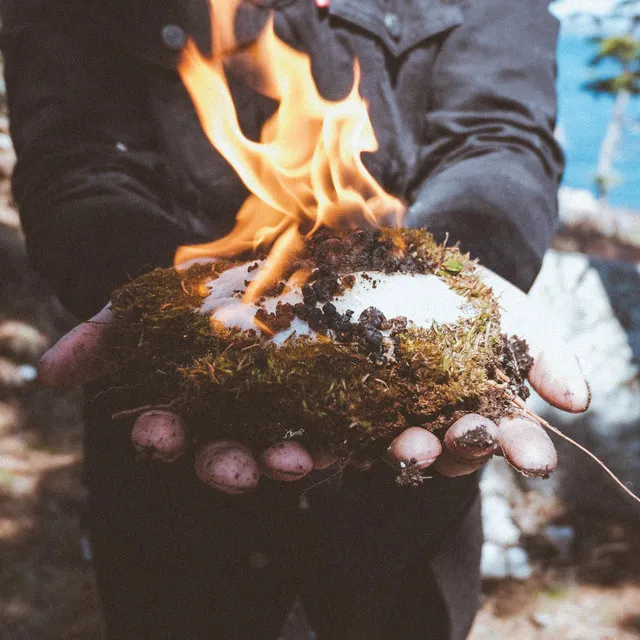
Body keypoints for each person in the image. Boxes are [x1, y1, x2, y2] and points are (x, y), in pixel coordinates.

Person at [0, 0, 589, 638]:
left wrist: (445, 283)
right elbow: (78, 159)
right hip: (172, 422)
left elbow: (497, 137)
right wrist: (168, 310)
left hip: (411, 452)